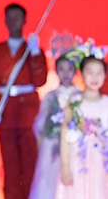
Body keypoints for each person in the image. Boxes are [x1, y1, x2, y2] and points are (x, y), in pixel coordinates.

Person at [0, 3, 48, 199]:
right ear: (5, 21)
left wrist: (35, 54)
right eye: (9, 17)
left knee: (31, 163)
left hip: (29, 114)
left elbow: (40, 80)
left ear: (24, 21)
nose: (13, 21)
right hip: (5, 112)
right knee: (10, 166)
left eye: (17, 17)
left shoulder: (32, 50)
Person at [30, 54, 81, 199]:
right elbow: (40, 124)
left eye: (69, 69)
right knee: (48, 180)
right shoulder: (50, 96)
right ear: (56, 71)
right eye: (61, 69)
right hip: (51, 145)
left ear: (75, 71)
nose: (65, 74)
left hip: (74, 146)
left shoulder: (80, 96)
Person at [57, 52, 108, 198]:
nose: (95, 77)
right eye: (90, 72)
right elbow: (65, 136)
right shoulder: (74, 103)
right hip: (77, 161)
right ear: (81, 74)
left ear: (105, 75)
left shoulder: (106, 102)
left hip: (101, 162)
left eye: (99, 73)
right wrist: (65, 166)